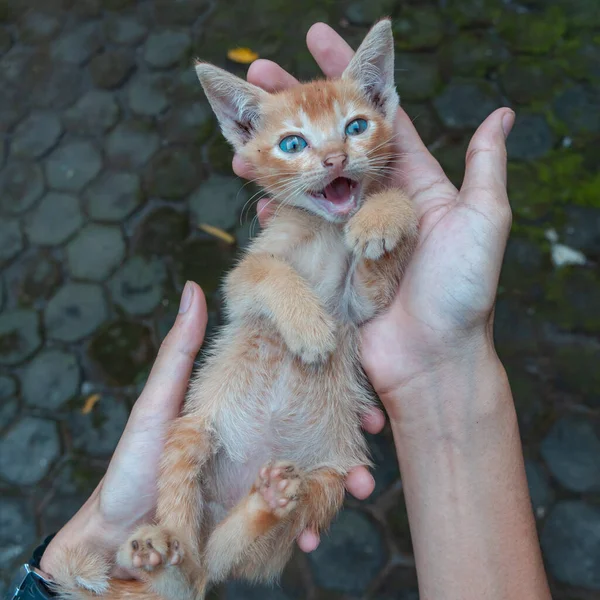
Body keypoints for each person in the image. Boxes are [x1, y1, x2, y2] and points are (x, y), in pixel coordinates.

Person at [19, 23, 551, 600]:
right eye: (294, 143)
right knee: (190, 443)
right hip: (240, 434)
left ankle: (214, 544)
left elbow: (370, 301)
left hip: (307, 449)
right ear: (244, 133)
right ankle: (175, 557)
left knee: (320, 484)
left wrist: (394, 214)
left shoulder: (385, 202)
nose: (332, 155)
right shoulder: (290, 223)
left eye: (354, 127)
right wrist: (296, 303)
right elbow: (249, 283)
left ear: (382, 104)